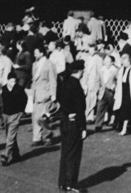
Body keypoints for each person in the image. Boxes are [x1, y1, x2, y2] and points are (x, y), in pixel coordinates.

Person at [57, 61, 87, 193]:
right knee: (74, 153)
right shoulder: (76, 85)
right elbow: (81, 108)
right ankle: (71, 183)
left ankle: (63, 181)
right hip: (74, 123)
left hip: (64, 120)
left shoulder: (65, 83)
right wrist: (84, 127)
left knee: (65, 152)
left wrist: (67, 112)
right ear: (80, 71)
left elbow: (60, 99)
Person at [0, 71, 28, 165]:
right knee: (10, 135)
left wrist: (21, 112)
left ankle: (6, 155)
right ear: (7, 81)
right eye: (11, 81)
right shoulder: (3, 89)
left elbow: (25, 99)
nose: (13, 83)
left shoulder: (19, 89)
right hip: (6, 115)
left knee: (10, 137)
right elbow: (0, 101)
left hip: (15, 115)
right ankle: (16, 154)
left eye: (15, 81)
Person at [32, 46, 58, 146]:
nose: (34, 54)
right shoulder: (34, 64)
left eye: (36, 52)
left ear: (42, 53)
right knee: (35, 117)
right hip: (36, 94)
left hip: (45, 94)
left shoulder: (49, 64)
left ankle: (47, 137)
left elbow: (53, 79)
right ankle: (37, 138)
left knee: (44, 117)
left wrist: (53, 94)